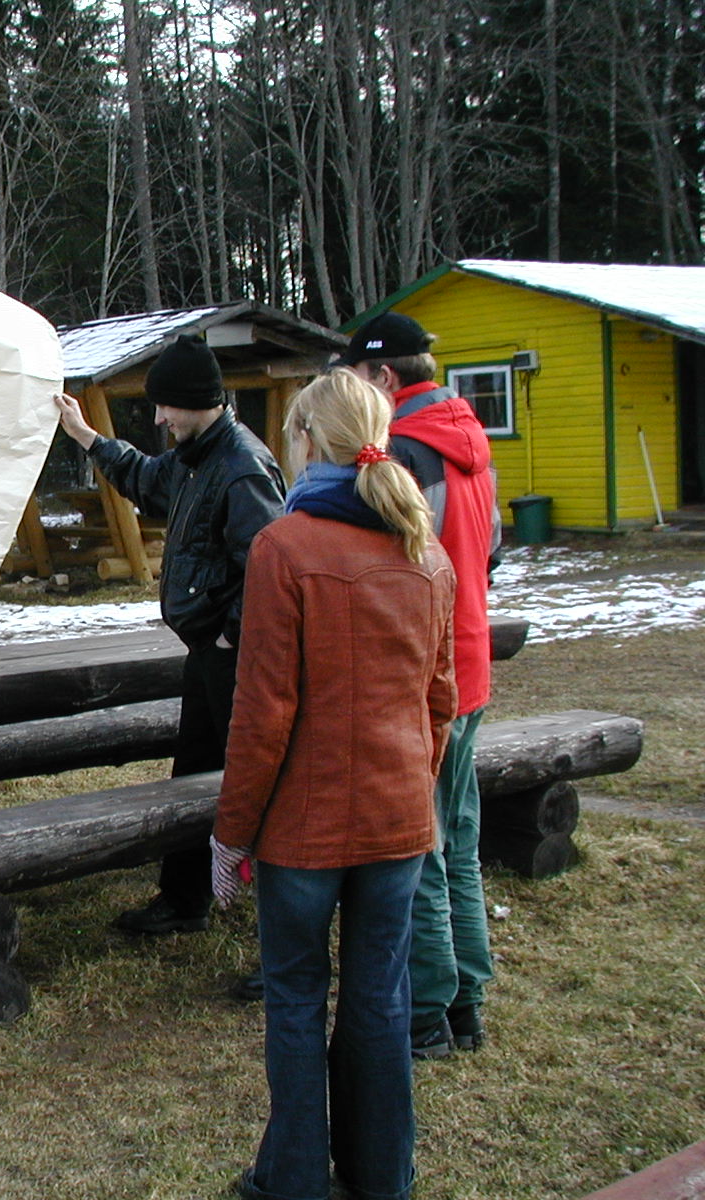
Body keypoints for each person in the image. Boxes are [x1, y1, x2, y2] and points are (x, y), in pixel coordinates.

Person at [212, 368, 457, 1200]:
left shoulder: (286, 547)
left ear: (310, 442)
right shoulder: (424, 552)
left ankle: (295, 1185)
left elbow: (263, 714)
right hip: (396, 821)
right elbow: (441, 703)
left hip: (306, 832)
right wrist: (412, 787)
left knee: (294, 1000)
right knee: (380, 1002)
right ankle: (381, 1180)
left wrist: (230, 833)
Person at [54, 334, 285, 934]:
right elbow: (144, 478)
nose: (158, 418)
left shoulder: (241, 469)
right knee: (194, 776)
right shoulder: (194, 458)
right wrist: (86, 436)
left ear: (198, 401)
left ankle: (280, 919)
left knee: (258, 785)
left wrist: (234, 638)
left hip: (238, 663)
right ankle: (185, 901)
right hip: (208, 655)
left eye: (167, 407)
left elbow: (271, 573)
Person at [336, 311, 501, 1058]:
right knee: (458, 840)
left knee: (422, 847)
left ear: (384, 379)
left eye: (355, 379)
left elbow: (400, 571)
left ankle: (428, 1009)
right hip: (469, 662)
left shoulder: (400, 451)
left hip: (425, 673)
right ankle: (468, 1000)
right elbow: (490, 546)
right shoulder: (469, 438)